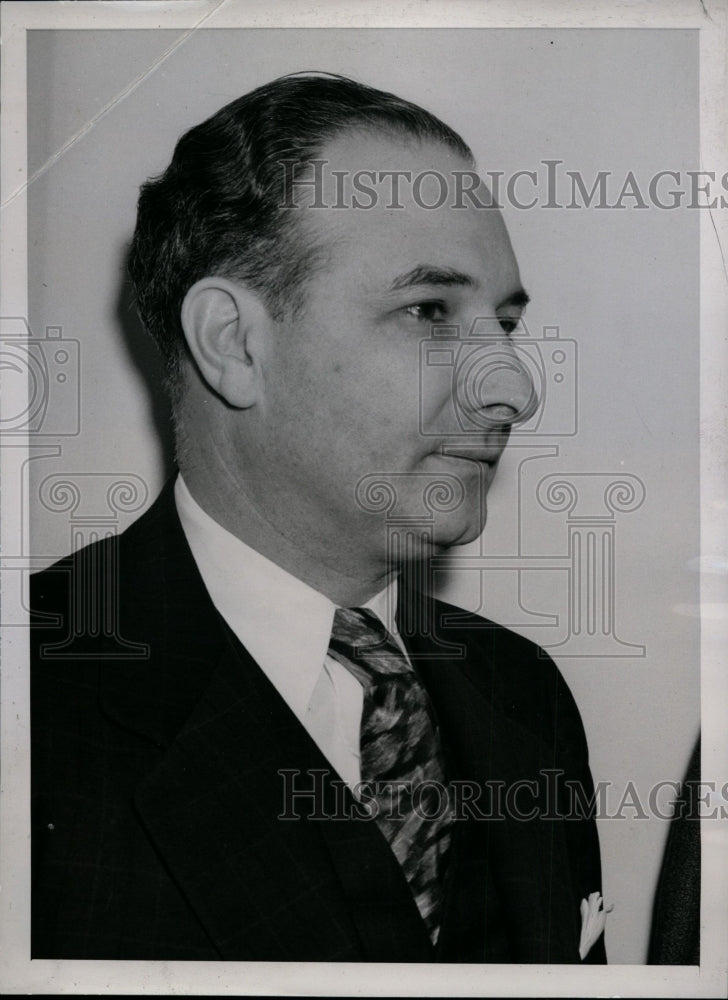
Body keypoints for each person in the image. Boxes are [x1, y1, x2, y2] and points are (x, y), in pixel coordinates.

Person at [30, 72, 607, 963]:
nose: (517, 390)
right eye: (428, 313)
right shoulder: (32, 707)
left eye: (504, 324)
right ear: (235, 343)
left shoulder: (520, 694)